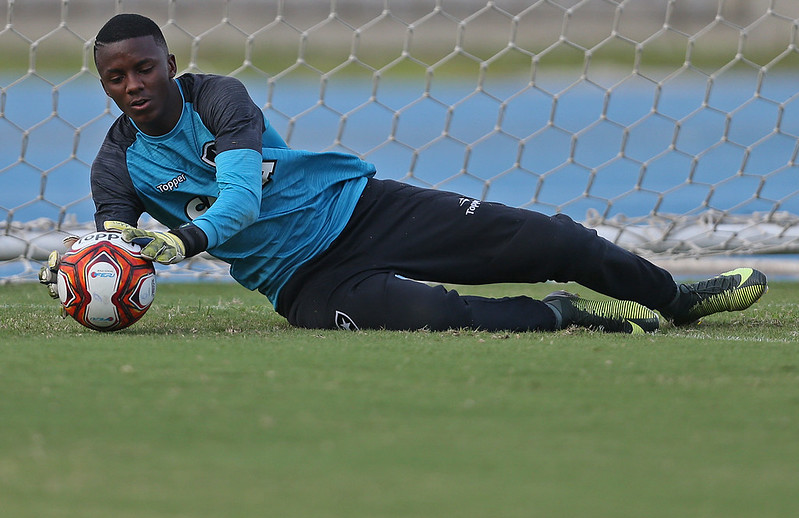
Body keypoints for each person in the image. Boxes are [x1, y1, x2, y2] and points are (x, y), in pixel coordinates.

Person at [40, 13, 768, 334]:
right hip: (303, 284)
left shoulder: (218, 98)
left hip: (361, 209)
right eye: (115, 76)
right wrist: (86, 266)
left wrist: (189, 242)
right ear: (103, 85)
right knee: (436, 317)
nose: (132, 84)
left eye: (143, 67)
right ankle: (565, 316)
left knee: (549, 237)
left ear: (169, 64)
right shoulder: (117, 162)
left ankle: (675, 298)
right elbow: (118, 241)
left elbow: (238, 198)